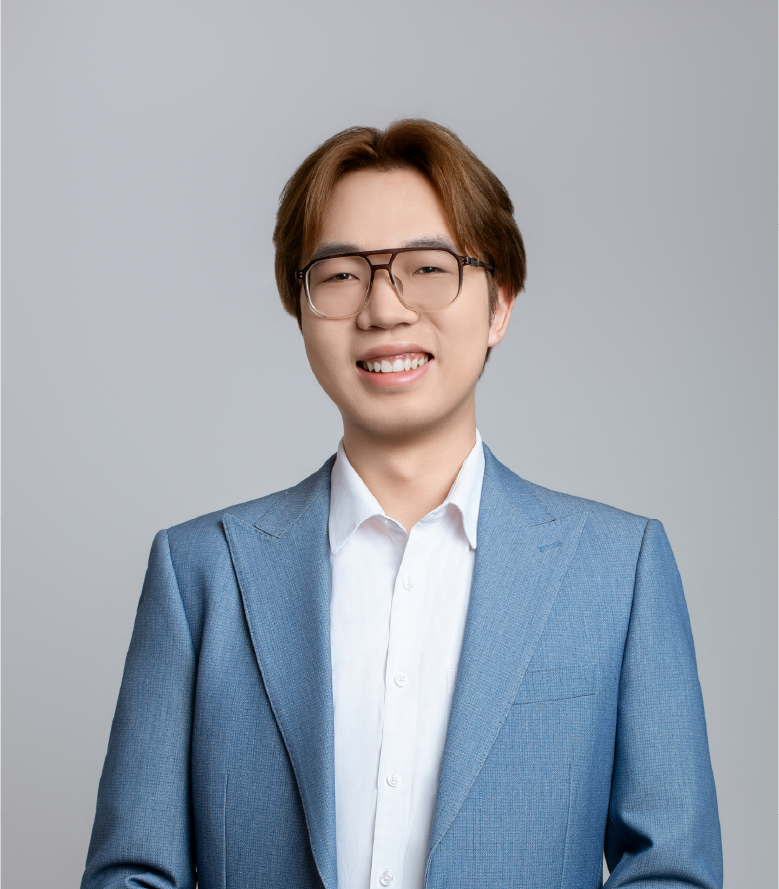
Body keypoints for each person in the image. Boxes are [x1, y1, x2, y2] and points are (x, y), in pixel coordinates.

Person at [81, 120, 723, 889]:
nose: (384, 309)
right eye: (341, 274)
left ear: (499, 303)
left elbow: (670, 869)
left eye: (427, 267)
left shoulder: (618, 570)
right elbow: (131, 874)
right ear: (300, 308)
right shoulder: (199, 573)